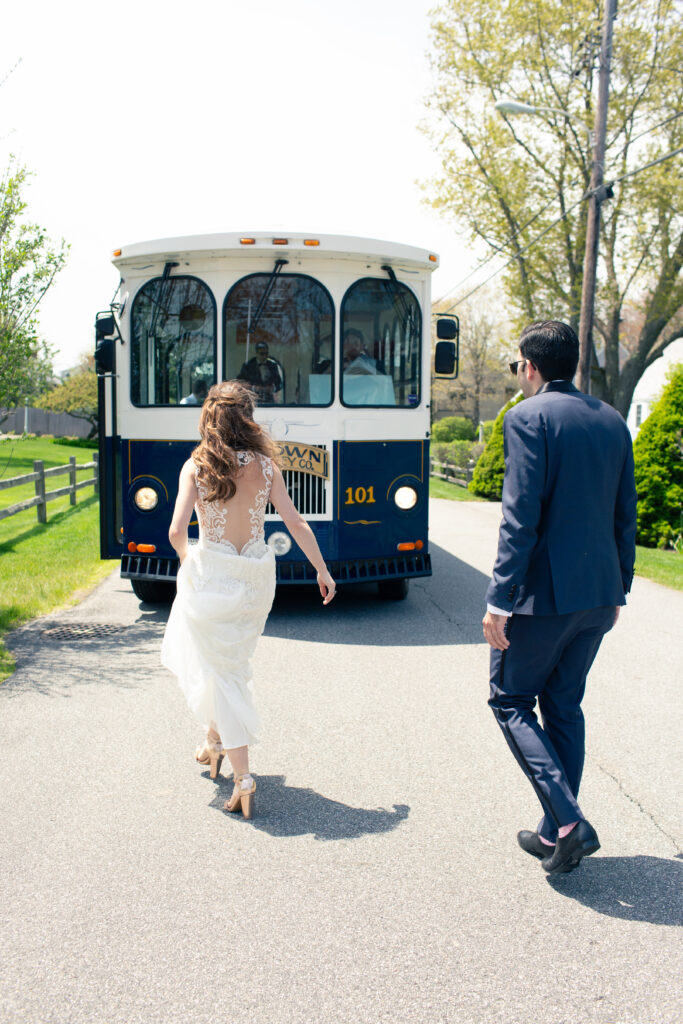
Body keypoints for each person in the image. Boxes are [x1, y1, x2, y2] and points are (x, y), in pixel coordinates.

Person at [482, 320, 637, 875]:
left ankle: (569, 823)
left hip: (542, 599)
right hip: (598, 596)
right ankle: (555, 835)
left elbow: (519, 517)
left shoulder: (528, 417)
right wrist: (621, 584)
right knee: (564, 706)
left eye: (518, 364)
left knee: (510, 701)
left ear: (531, 365)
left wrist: (499, 599)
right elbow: (626, 512)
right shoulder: (612, 420)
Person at [161, 380, 335, 820]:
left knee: (222, 673)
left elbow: (177, 532)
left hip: (215, 573)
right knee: (227, 666)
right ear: (247, 418)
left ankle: (243, 777)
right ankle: (213, 742)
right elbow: (296, 523)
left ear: (209, 417)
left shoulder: (196, 466)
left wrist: (189, 564)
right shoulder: (266, 466)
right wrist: (321, 568)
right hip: (256, 579)